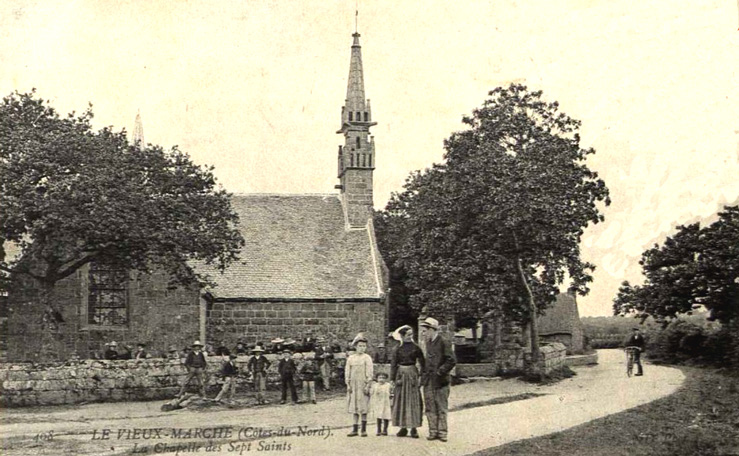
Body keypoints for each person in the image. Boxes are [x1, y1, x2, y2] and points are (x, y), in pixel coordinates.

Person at [421, 317, 456, 442]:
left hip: (440, 381)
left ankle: (442, 432)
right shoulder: (428, 343)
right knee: (430, 406)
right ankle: (433, 431)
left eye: (425, 331)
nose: (423, 333)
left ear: (432, 330)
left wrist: (440, 371)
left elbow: (451, 360)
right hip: (429, 381)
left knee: (441, 406)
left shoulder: (444, 342)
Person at [390, 325, 425, 438]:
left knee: (413, 400)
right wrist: (392, 379)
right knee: (401, 400)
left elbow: (423, 362)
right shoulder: (397, 349)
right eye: (408, 334)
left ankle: (414, 428)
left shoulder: (416, 347)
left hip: (412, 374)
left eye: (411, 334)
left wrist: (421, 376)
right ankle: (403, 427)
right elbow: (393, 365)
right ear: (402, 336)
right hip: (401, 375)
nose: (410, 337)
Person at [345, 334, 373, 437]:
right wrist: (348, 384)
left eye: (364, 346)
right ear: (355, 346)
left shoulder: (367, 358)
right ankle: (355, 429)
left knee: (363, 406)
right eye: (360, 346)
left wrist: (367, 385)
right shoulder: (351, 358)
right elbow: (347, 372)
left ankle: (364, 429)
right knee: (354, 406)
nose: (362, 348)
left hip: (363, 385)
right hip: (353, 385)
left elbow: (369, 372)